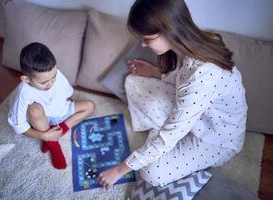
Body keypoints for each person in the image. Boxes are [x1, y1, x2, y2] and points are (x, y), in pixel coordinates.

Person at [98, 0, 247, 188]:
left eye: (147, 39)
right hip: (195, 116)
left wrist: (119, 170)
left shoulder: (206, 72)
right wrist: (156, 72)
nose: (143, 45)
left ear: (168, 30)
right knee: (133, 82)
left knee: (151, 172)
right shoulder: (186, 46)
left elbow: (195, 84)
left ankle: (160, 142)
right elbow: (184, 80)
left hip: (217, 139)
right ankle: (161, 140)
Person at [8, 42, 95, 170]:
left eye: (53, 77)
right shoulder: (23, 93)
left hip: (61, 110)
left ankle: (60, 129)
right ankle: (53, 143)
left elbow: (68, 92)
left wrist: (68, 107)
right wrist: (43, 135)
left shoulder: (54, 73)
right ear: (26, 79)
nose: (50, 84)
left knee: (90, 106)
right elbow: (19, 126)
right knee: (35, 109)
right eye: (43, 82)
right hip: (42, 122)